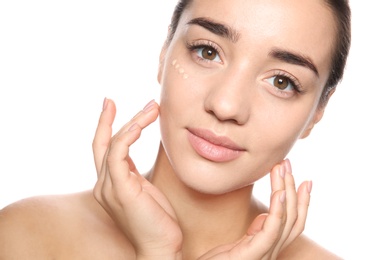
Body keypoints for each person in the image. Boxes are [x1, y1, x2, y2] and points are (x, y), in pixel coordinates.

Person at [0, 0, 351, 259]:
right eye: (208, 51)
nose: (226, 105)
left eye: (281, 81)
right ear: (165, 52)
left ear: (318, 110)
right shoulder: (26, 238)